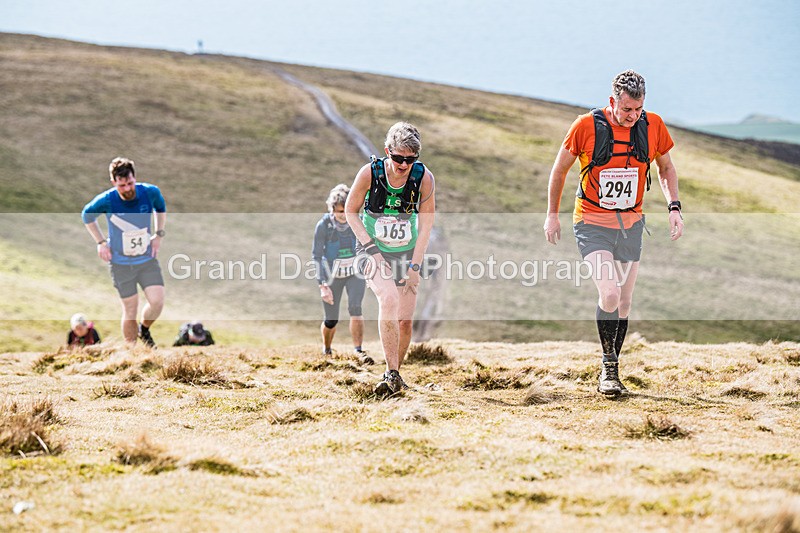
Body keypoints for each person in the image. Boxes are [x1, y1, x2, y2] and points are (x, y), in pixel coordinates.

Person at [543, 70, 684, 397]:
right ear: (612, 101)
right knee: (609, 294)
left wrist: (674, 207)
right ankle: (608, 367)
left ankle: (612, 369)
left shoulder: (653, 126)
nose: (632, 117)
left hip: (631, 225)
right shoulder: (585, 126)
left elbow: (666, 168)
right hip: (592, 223)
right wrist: (552, 216)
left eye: (638, 110)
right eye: (626, 110)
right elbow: (559, 170)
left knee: (624, 300)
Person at [345, 122, 436, 397]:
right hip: (372, 248)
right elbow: (350, 211)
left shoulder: (423, 178)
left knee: (405, 320)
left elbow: (426, 224)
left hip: (406, 251)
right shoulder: (369, 174)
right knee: (389, 299)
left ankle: (396, 374)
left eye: (410, 160)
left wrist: (415, 266)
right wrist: (372, 250)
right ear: (387, 152)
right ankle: (390, 372)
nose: (403, 165)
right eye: (398, 158)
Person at [81, 157, 167, 348]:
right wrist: (101, 242)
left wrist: (158, 234)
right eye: (122, 185)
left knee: (157, 302)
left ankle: (144, 329)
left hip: (146, 259)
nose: (127, 189)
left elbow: (160, 208)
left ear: (135, 178)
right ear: (114, 183)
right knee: (130, 310)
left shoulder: (149, 192)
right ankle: (131, 353)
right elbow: (86, 215)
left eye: (130, 183)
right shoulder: (107, 200)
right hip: (120, 263)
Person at [312, 184, 372, 364]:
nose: (343, 216)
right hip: (331, 276)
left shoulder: (357, 221)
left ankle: (359, 351)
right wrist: (322, 285)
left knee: (356, 308)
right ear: (332, 209)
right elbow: (317, 256)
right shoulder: (324, 226)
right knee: (331, 319)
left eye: (346, 211)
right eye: (339, 212)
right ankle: (327, 350)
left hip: (354, 273)